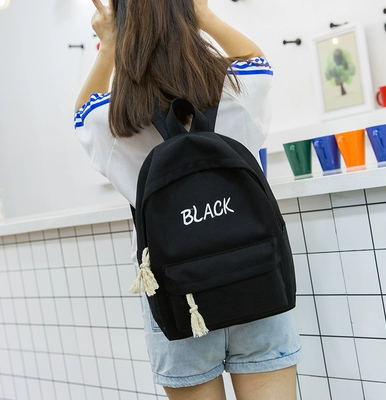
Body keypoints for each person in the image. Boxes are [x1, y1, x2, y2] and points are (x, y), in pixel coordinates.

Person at [74, 0, 303, 399]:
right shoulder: (239, 88)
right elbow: (258, 63)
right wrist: (206, 16)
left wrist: (109, 42)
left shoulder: (111, 119)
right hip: (257, 277)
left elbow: (81, 114)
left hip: (178, 296)